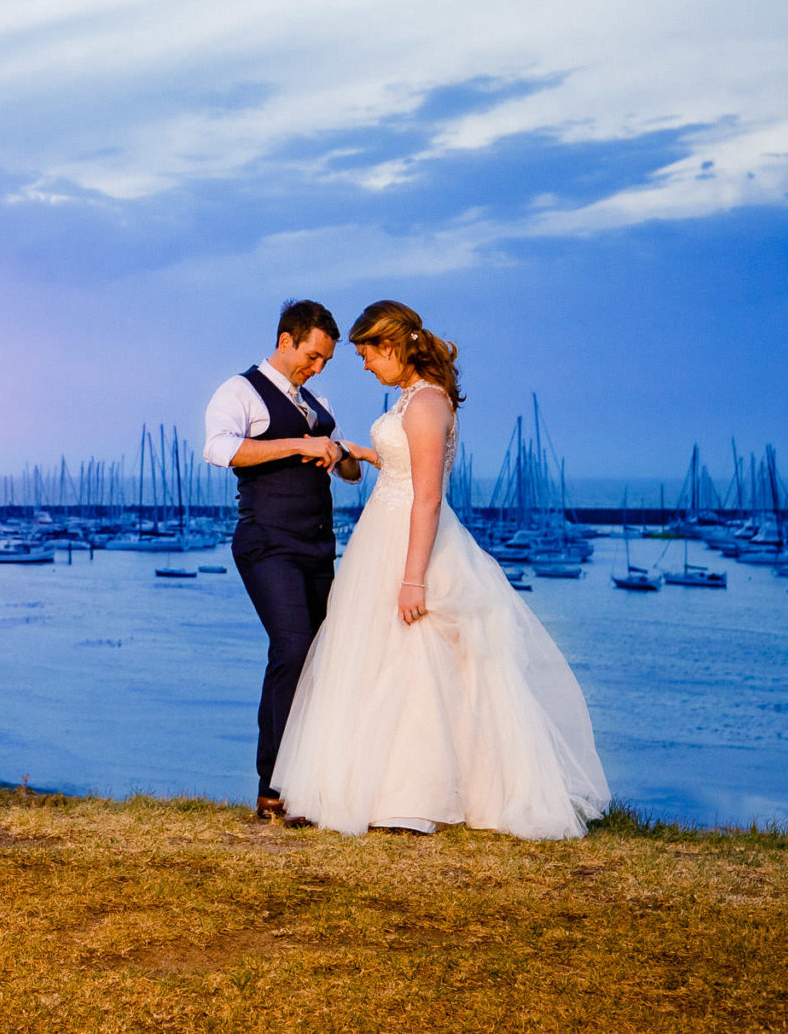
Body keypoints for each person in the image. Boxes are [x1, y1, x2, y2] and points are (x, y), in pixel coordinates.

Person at [270, 301, 609, 839]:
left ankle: (410, 798)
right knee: (375, 661)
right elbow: (404, 463)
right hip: (384, 533)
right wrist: (362, 451)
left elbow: (427, 497)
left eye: (365, 354)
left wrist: (413, 578)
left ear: (390, 346)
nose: (363, 366)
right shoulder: (410, 398)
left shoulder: (427, 402)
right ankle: (375, 786)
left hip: (411, 542)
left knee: (414, 662)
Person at [203, 299, 361, 823]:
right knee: (291, 648)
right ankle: (271, 787)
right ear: (286, 340)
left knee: (317, 659)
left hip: (318, 544)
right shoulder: (240, 391)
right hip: (266, 541)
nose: (316, 368)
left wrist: (340, 459)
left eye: (325, 362)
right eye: (312, 356)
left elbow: (336, 464)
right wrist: (298, 443)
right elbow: (221, 450)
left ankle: (306, 785)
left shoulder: (317, 401)